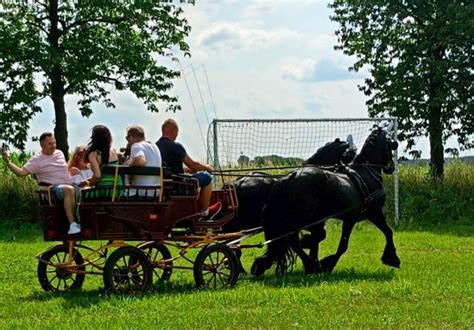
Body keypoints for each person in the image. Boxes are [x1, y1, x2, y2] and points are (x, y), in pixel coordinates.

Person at [1, 133, 80, 234]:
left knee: (86, 188)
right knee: (69, 189)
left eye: (54, 142)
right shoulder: (37, 160)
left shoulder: (59, 153)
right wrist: (8, 162)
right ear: (42, 145)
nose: (53, 146)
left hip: (68, 184)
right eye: (50, 144)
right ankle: (73, 225)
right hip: (52, 191)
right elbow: (21, 173)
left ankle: (83, 222)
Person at [156, 119, 222, 220]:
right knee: (207, 177)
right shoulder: (175, 146)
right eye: (176, 132)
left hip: (166, 185)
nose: (176, 136)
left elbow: (170, 168)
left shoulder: (156, 146)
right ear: (172, 130)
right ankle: (205, 212)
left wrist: (186, 170)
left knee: (199, 177)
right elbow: (193, 165)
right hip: (179, 185)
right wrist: (207, 167)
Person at [82, 125, 123, 197]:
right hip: (117, 190)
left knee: (80, 194)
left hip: (103, 190)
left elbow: (97, 176)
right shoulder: (113, 150)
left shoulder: (94, 154)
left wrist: (89, 184)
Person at [124, 125, 162, 197]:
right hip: (157, 191)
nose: (127, 141)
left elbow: (141, 161)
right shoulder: (154, 146)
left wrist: (128, 164)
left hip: (142, 191)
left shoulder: (136, 146)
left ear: (132, 137)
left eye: (127, 138)